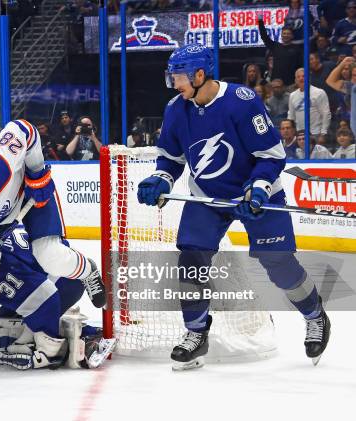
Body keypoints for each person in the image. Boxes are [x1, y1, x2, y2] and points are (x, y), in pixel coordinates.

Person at [138, 44, 330, 370]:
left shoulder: (241, 102)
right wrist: (161, 178)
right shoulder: (175, 109)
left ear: (200, 74)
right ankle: (196, 332)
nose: (174, 83)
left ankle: (315, 315)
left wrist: (256, 190)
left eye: (179, 76)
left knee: (278, 263)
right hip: (208, 197)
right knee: (191, 259)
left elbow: (271, 156)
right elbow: (170, 160)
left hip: (256, 192)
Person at [0, 118, 107, 378]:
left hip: (30, 194)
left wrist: (37, 174)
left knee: (48, 256)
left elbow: (23, 128)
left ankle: (88, 271)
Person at [288, 68, 331, 142]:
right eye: (298, 77)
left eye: (303, 76)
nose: (301, 78)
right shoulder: (292, 95)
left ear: (309, 78)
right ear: (295, 80)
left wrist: (323, 133)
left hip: (316, 133)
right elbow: (291, 116)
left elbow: (326, 114)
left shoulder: (319, 93)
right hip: (300, 135)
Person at [258, 18, 302, 86]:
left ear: (292, 36)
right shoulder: (275, 46)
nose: (286, 35)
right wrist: (260, 22)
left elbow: (300, 66)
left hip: (291, 84)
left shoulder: (297, 49)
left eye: (288, 34)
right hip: (275, 83)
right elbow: (264, 37)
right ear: (281, 35)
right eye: (284, 33)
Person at [326, 56, 356, 137]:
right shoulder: (351, 87)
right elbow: (330, 81)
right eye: (353, 75)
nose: (354, 79)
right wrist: (343, 63)